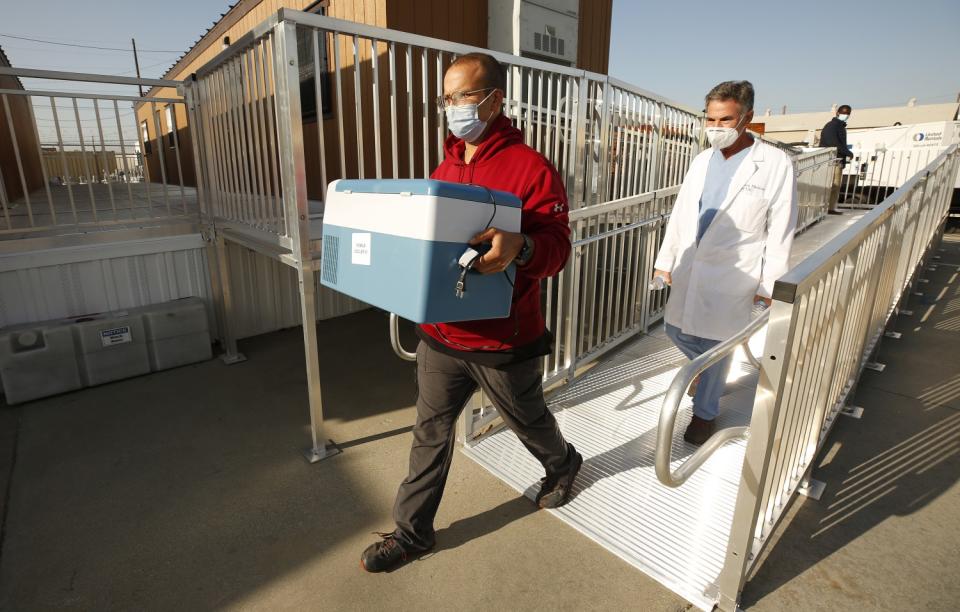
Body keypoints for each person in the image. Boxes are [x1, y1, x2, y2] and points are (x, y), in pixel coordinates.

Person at [360, 52, 582, 573]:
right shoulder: (447, 163)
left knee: (527, 419)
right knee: (428, 435)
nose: (453, 107)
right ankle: (412, 535)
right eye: (447, 98)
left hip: (503, 339)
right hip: (441, 333)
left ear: (494, 99)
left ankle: (562, 462)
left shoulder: (532, 168)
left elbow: (558, 247)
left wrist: (521, 246)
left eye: (463, 96)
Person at [652, 80, 797, 445]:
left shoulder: (774, 164)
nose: (715, 128)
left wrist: (769, 284)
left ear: (746, 117)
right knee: (677, 329)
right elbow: (681, 214)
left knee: (718, 343)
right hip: (692, 262)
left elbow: (781, 228)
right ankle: (704, 374)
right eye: (711, 119)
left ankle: (705, 414)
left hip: (737, 270)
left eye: (725, 119)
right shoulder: (702, 160)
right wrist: (665, 260)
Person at [819, 105, 853, 214]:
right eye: (844, 112)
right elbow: (832, 143)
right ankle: (827, 208)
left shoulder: (840, 126)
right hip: (832, 160)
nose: (846, 115)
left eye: (848, 113)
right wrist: (848, 152)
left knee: (835, 186)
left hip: (837, 160)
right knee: (831, 185)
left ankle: (831, 208)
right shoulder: (832, 126)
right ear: (838, 113)